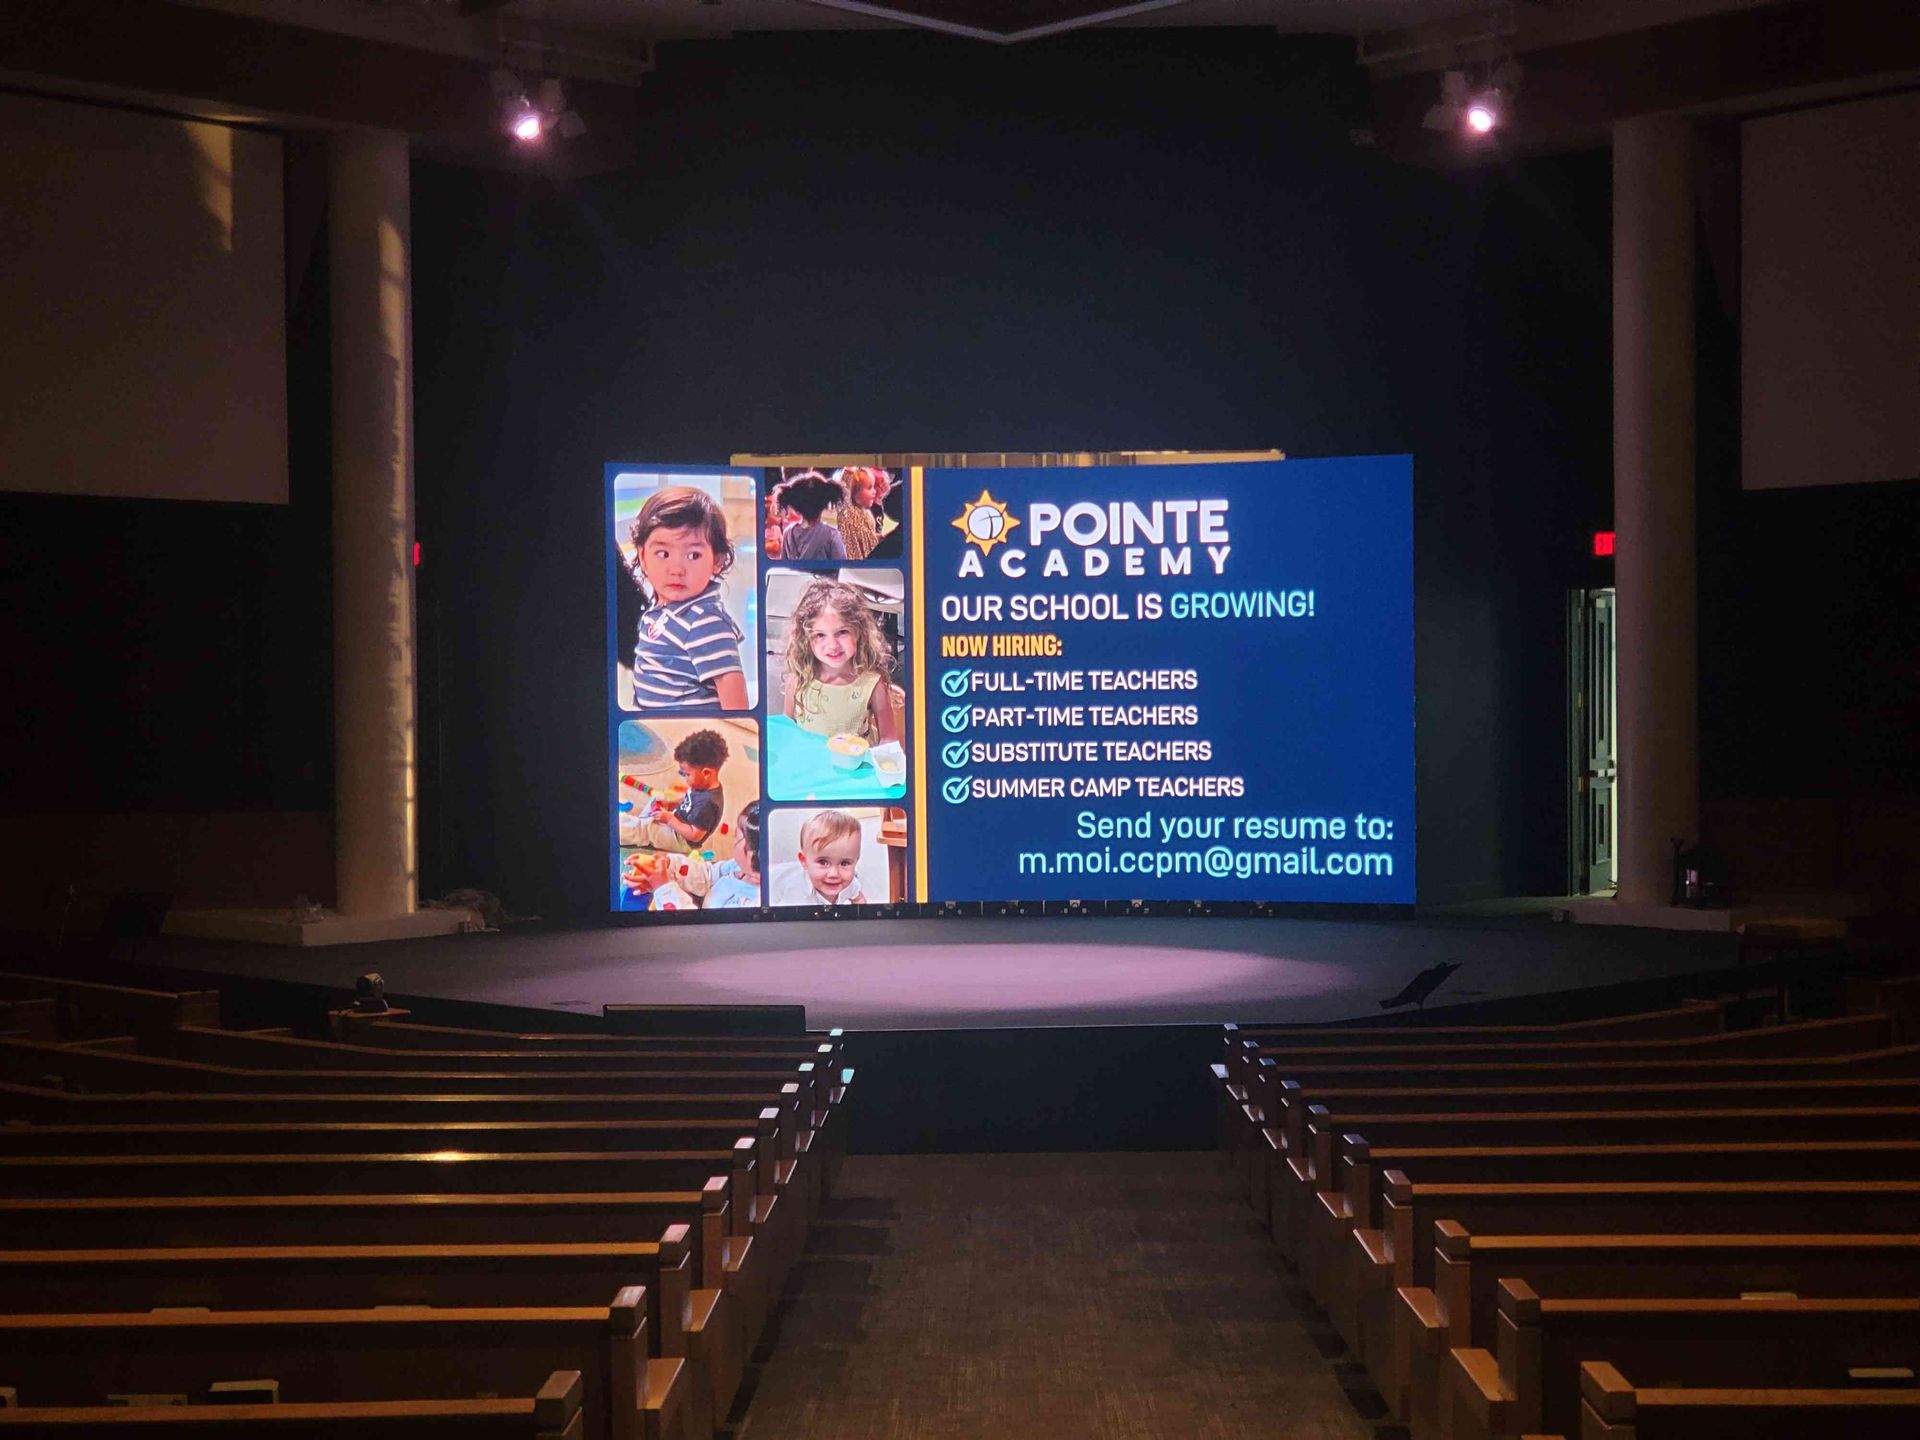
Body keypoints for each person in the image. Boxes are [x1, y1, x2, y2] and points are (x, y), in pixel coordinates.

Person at [627, 487, 748, 710]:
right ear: (643, 556)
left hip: (693, 730)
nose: (676, 569)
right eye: (663, 554)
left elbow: (736, 704)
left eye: (693, 555)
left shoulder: (705, 621)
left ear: (717, 560)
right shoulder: (660, 611)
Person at [782, 577, 899, 746]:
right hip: (811, 761)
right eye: (820, 635)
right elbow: (787, 732)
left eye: (842, 632)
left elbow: (888, 740)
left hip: (857, 762)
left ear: (859, 632)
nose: (832, 645)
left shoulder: (872, 684)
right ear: (805, 638)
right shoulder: (798, 679)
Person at [639, 728, 727, 855]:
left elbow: (695, 836)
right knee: (655, 801)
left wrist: (670, 820)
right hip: (678, 822)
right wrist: (671, 804)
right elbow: (688, 800)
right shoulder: (701, 784)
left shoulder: (708, 804)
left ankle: (635, 827)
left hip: (682, 841)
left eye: (687, 775)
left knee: (646, 830)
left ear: (706, 773)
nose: (685, 779)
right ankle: (643, 822)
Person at [767, 809, 870, 906]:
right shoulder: (796, 895)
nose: (834, 874)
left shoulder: (851, 884)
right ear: (804, 861)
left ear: (856, 861)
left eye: (844, 863)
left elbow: (858, 899)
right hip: (772, 879)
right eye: (823, 862)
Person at [703, 800, 763, 909]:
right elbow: (710, 873)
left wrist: (670, 890)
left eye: (736, 836)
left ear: (750, 855)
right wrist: (673, 864)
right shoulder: (739, 866)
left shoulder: (747, 904)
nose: (733, 838)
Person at [778, 471, 847, 563]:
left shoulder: (788, 534)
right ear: (824, 503)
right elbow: (842, 567)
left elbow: (783, 566)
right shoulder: (831, 535)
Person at [834, 466, 880, 561]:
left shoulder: (865, 512)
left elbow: (868, 539)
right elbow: (845, 486)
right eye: (869, 488)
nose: (874, 491)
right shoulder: (849, 515)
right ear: (855, 494)